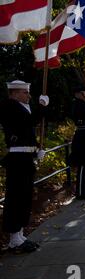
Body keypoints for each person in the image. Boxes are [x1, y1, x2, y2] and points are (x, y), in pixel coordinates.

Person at [0, 80, 48, 253]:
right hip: (17, 158)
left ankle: (19, 235)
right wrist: (42, 106)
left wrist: (35, 151)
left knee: (25, 197)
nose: (28, 95)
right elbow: (28, 122)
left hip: (25, 157)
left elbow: (28, 131)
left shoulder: (22, 107)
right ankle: (14, 238)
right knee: (16, 198)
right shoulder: (9, 106)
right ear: (13, 93)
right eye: (24, 92)